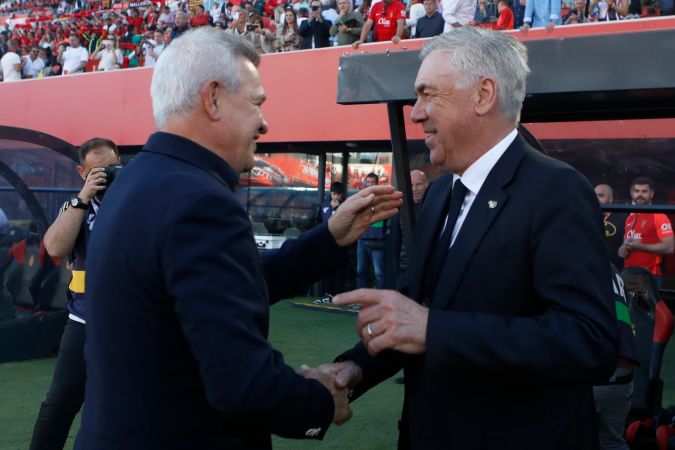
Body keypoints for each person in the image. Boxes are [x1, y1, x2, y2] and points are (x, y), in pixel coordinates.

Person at [73, 28, 402, 450]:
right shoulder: (200, 201)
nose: (264, 121)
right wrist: (323, 399)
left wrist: (328, 239)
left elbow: (215, 292)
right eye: (256, 103)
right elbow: (243, 384)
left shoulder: (137, 181)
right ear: (212, 99)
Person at [310, 27, 617, 450]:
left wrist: (435, 329)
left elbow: (588, 341)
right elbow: (416, 316)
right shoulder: (439, 193)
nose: (416, 113)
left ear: (483, 95)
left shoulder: (557, 191)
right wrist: (355, 369)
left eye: (427, 94)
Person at [29, 138, 122, 450]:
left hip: (132, 321)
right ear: (82, 172)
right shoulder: (76, 206)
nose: (105, 175)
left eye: (111, 168)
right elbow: (55, 248)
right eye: (97, 171)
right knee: (58, 405)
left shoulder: (137, 201)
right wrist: (83, 198)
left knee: (129, 405)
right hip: (83, 320)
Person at [618, 176, 674, 290]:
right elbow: (628, 245)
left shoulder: (659, 216)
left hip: (648, 276)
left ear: (651, 194)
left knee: (644, 308)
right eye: (637, 191)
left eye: (644, 191)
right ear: (631, 192)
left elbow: (670, 247)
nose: (640, 194)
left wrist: (641, 246)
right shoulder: (630, 216)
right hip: (628, 274)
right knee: (627, 308)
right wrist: (623, 250)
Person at [392, 169, 428, 290]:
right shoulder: (400, 209)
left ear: (426, 184)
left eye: (418, 184)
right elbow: (395, 242)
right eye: (411, 185)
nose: (414, 189)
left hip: (426, 269)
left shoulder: (434, 206)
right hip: (404, 269)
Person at [356, 173, 387, 290]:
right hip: (362, 238)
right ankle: (361, 299)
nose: (369, 184)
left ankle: (378, 302)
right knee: (360, 271)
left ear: (377, 183)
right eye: (368, 182)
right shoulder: (360, 198)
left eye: (372, 182)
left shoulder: (382, 199)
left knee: (379, 274)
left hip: (377, 239)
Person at [595, 184, 627, 270]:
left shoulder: (623, 218)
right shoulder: (587, 216)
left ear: (610, 198)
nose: (596, 199)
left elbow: (628, 240)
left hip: (616, 269)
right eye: (594, 195)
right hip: (592, 267)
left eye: (601, 195)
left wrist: (625, 246)